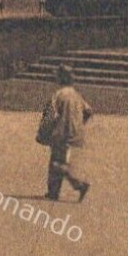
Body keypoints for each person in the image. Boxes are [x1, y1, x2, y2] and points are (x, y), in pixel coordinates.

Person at [40, 65, 93, 201]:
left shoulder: (58, 95)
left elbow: (50, 115)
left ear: (60, 78)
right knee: (57, 161)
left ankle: (80, 184)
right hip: (75, 133)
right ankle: (53, 192)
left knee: (57, 164)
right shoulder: (76, 94)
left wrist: (43, 132)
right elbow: (88, 111)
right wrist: (79, 124)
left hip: (61, 133)